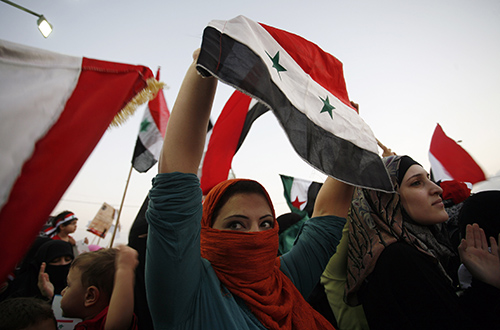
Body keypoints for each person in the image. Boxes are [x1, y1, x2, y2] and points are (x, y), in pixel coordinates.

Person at [145, 49, 348, 329]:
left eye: (266, 224)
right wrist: (204, 64)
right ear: (207, 232)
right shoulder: (188, 295)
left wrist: (350, 138)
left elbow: (328, 215)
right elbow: (176, 178)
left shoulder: (284, 281)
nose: (255, 236)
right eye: (236, 226)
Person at [345, 155, 500, 329]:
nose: (437, 189)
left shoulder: (422, 248)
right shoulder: (398, 259)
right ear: (387, 199)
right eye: (416, 183)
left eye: (427, 178)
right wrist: (486, 284)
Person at [58, 245, 139, 330]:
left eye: (68, 285)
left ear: (90, 296)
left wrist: (125, 268)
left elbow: (115, 326)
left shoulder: (102, 324)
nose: (62, 292)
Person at [1, 239, 74, 302]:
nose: (63, 264)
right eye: (55, 261)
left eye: (67, 260)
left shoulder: (76, 286)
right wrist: (46, 297)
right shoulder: (22, 289)